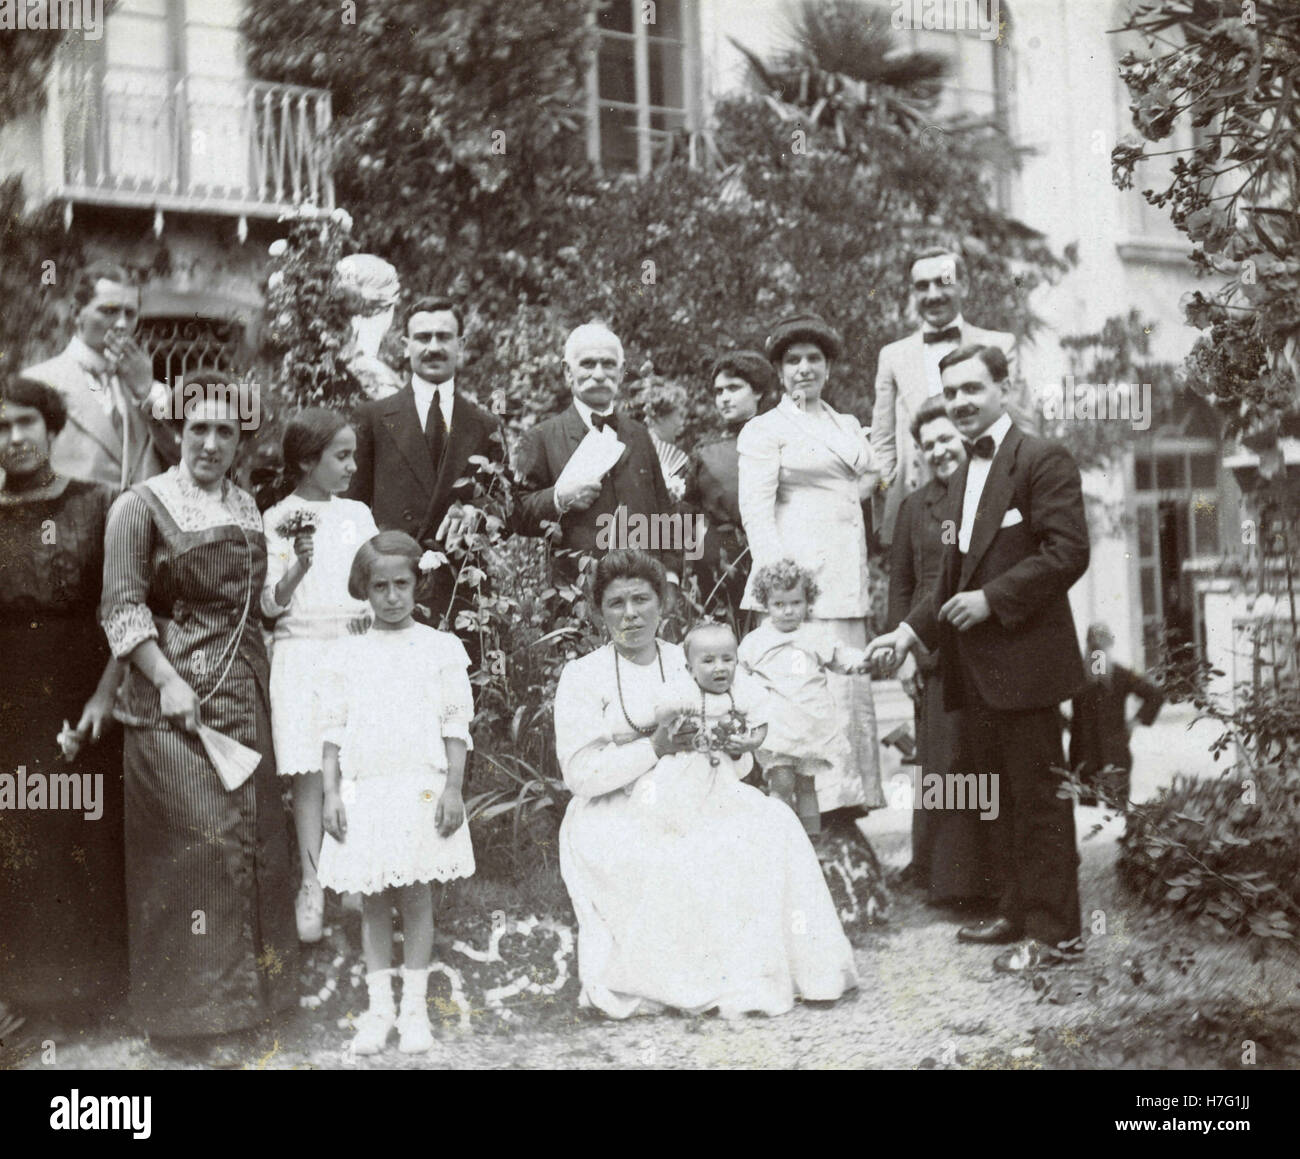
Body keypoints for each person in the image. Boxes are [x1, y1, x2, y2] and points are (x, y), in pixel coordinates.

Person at [554, 550, 858, 1018]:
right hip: (615, 806)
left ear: (664, 604)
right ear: (598, 611)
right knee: (681, 853)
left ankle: (787, 973)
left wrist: (731, 749)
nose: (630, 614)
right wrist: (654, 749)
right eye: (616, 603)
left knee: (773, 823)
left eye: (642, 600)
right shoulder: (582, 676)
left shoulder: (695, 658)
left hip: (703, 791)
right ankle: (702, 980)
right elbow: (581, 775)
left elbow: (735, 757)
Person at [867, 344, 1090, 972]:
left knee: (1040, 800)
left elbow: (1068, 552)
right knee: (1002, 797)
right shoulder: (965, 473)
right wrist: (907, 636)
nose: (962, 403)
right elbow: (946, 580)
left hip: (1027, 666)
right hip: (976, 672)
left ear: (1002, 386)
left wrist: (992, 601)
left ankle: (1057, 935)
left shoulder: (1041, 458)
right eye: (952, 393)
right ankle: (1017, 910)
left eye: (973, 389)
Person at [99, 371, 297, 1060]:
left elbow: (258, 604)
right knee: (200, 849)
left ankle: (254, 1004)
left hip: (245, 694)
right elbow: (120, 609)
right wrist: (167, 680)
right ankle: (194, 1020)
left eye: (226, 431)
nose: (211, 442)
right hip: (173, 706)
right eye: (199, 428)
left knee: (254, 844)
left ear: (243, 438)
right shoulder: (140, 504)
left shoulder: (245, 503)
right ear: (176, 431)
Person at [0, 376, 128, 1026]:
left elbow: (129, 607)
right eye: (1, 427)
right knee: (20, 834)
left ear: (51, 428)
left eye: (25, 422)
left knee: (86, 832)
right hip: (9, 699)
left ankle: (95, 994)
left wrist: (106, 691)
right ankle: (25, 995)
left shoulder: (100, 503)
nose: (14, 437)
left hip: (86, 690)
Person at [318, 532, 475, 1055]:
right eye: (379, 586)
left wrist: (452, 789)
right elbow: (333, 732)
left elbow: (456, 727)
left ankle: (413, 1009)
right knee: (372, 899)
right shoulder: (348, 654)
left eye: (401, 584)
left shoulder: (440, 647)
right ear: (365, 588)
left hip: (421, 788)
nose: (391, 596)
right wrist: (333, 794)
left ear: (417, 584)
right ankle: (379, 1009)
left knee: (415, 894)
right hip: (367, 790)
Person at [737, 312, 884, 817]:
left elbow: (866, 477)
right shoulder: (765, 429)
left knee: (844, 696)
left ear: (828, 367)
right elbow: (756, 513)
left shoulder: (844, 424)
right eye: (793, 360)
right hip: (796, 590)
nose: (804, 369)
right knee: (801, 704)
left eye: (814, 359)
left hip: (846, 579)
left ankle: (844, 815)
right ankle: (800, 820)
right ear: (779, 371)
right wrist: (782, 591)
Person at [261, 408, 378, 943]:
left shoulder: (356, 514)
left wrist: (369, 619)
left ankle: (349, 871)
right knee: (310, 773)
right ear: (307, 461)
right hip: (301, 654)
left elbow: (373, 582)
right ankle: (312, 882)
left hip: (351, 651)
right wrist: (299, 567)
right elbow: (268, 604)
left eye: (353, 454)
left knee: (349, 767)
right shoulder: (276, 518)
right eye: (341, 456)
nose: (352, 466)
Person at [887, 397, 1000, 907]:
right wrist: (905, 651)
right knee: (945, 766)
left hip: (988, 641)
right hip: (932, 649)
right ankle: (953, 883)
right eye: (927, 444)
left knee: (987, 764)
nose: (938, 450)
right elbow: (902, 586)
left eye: (946, 439)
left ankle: (998, 881)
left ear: (965, 439)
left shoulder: (992, 493)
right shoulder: (914, 507)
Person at [347, 297, 507, 634]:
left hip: (461, 594)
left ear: (460, 345)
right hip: (392, 593)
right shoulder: (373, 418)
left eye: (443, 337)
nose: (433, 347)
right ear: (406, 346)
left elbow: (506, 506)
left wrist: (478, 513)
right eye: (423, 338)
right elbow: (352, 510)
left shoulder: (485, 424)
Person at [870, 246, 1029, 548]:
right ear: (912, 293)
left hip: (985, 495)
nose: (933, 295)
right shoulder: (893, 356)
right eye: (922, 286)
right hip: (918, 500)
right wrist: (888, 493)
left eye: (942, 282)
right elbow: (882, 440)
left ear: (964, 285)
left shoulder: (998, 345)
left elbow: (1020, 426)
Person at [512, 322, 674, 583]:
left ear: (621, 373)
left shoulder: (640, 435)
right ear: (567, 371)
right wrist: (558, 498)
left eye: (608, 364)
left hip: (645, 589)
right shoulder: (541, 437)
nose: (599, 374)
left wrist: (672, 578)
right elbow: (516, 515)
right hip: (577, 592)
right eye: (588, 364)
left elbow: (665, 514)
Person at [21, 260, 179, 491]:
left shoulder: (151, 391)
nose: (122, 324)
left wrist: (147, 391)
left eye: (130, 313)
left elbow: (184, 456)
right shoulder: (39, 381)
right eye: (109, 311)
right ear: (76, 313)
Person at [738, 560, 869, 836]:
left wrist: (863, 661)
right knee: (782, 783)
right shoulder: (757, 640)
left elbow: (840, 658)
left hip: (809, 726)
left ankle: (811, 841)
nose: (788, 611)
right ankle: (781, 841)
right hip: (779, 728)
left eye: (796, 603)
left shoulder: (816, 635)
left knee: (808, 785)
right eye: (779, 604)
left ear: (807, 602)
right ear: (766, 604)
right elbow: (740, 673)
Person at [683, 350, 777, 620]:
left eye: (734, 388)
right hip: (720, 568)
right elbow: (689, 516)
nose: (724, 397)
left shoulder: (779, 442)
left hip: (771, 558)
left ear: (758, 392)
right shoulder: (705, 453)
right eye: (719, 391)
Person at [1065, 622, 1164, 809]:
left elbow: (1155, 695)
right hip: (1089, 754)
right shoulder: (1076, 675)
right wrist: (1065, 723)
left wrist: (1136, 721)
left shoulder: (1118, 674)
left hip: (1108, 753)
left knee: (1111, 808)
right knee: (1095, 808)